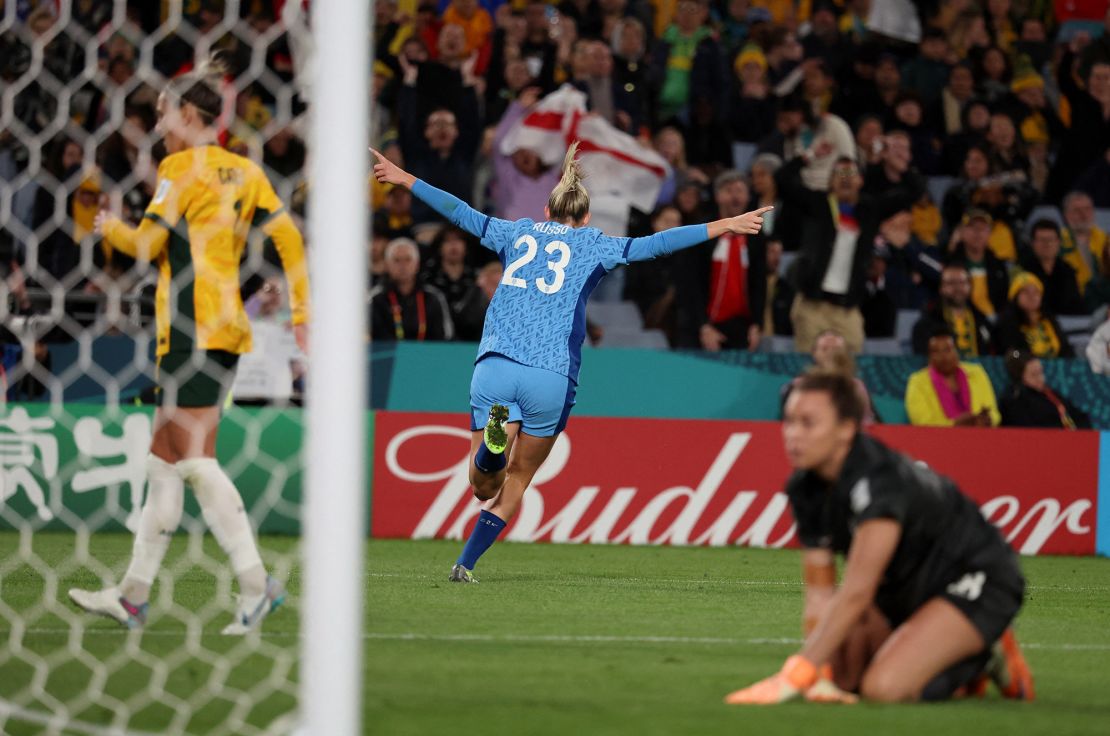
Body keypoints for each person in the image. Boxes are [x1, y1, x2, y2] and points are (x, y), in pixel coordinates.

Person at [371, 142, 772, 583]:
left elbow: (459, 210)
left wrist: (405, 177)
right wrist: (725, 224)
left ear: (545, 210)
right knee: (519, 479)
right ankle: (464, 563)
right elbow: (657, 244)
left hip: (496, 365)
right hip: (549, 374)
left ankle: (494, 443)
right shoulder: (595, 245)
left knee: (481, 483)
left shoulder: (515, 232)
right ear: (585, 219)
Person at [68, 57, 309, 634]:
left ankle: (257, 586)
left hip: (189, 325)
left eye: (162, 113)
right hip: (223, 328)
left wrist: (109, 227)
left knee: (197, 463)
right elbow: (289, 236)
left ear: (186, 114)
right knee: (164, 462)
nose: (157, 125)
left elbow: (148, 245)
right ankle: (132, 594)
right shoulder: (245, 171)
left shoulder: (178, 166)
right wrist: (303, 311)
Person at [725, 370, 1033, 705]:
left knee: (883, 689)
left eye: (808, 423)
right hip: (904, 588)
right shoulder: (803, 487)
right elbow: (819, 593)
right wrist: (821, 676)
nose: (792, 435)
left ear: (846, 429)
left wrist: (796, 674)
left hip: (976, 577)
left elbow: (857, 592)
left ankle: (982, 654)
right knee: (845, 679)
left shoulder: (879, 480)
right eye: (789, 421)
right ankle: (941, 646)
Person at [905, 328, 1000, 428]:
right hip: (939, 440)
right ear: (929, 357)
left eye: (947, 349)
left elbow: (994, 412)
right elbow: (921, 422)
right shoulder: (917, 381)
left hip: (980, 435)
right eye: (936, 351)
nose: (943, 356)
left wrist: (988, 420)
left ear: (957, 351)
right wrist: (954, 425)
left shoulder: (977, 373)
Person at [912, 263, 995, 358]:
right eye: (951, 283)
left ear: (970, 286)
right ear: (941, 288)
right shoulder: (926, 325)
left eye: (962, 282)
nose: (958, 288)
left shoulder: (983, 322)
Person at [999, 350, 1091, 430]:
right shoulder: (1014, 400)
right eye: (1034, 374)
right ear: (1020, 377)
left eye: (1041, 372)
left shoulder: (1050, 395)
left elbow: (1080, 417)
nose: (1041, 379)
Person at [994, 272, 1075, 359]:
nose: (1031, 296)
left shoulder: (1049, 319)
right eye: (1025, 291)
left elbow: (1066, 349)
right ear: (1015, 296)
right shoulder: (1007, 322)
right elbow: (1014, 354)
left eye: (1036, 292)